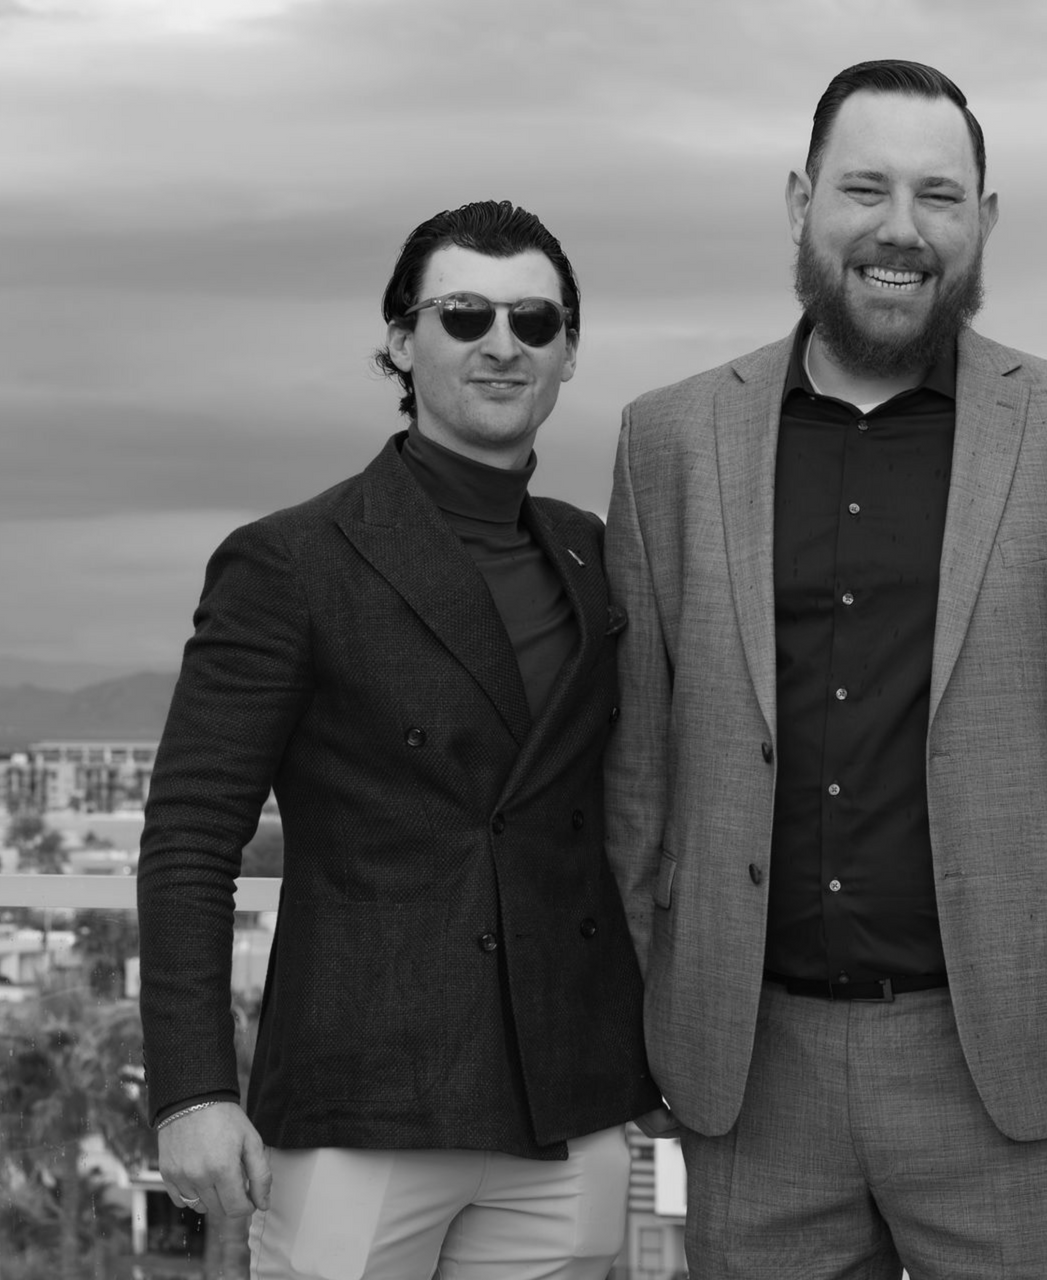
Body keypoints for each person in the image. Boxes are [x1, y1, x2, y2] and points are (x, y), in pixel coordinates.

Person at [604, 59, 1047, 1280]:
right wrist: (634, 1014)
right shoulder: (667, 439)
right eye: (864, 188)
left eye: (940, 196)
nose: (900, 229)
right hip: (749, 1063)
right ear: (799, 202)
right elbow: (638, 766)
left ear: (983, 222)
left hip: (1018, 1055)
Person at [137, 199, 659, 1280]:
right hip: (361, 1102)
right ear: (398, 341)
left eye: (535, 319)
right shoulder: (290, 561)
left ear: (569, 353)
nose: (502, 342)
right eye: (464, 314)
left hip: (561, 1097)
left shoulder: (592, 553)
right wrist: (192, 1089)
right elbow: (191, 837)